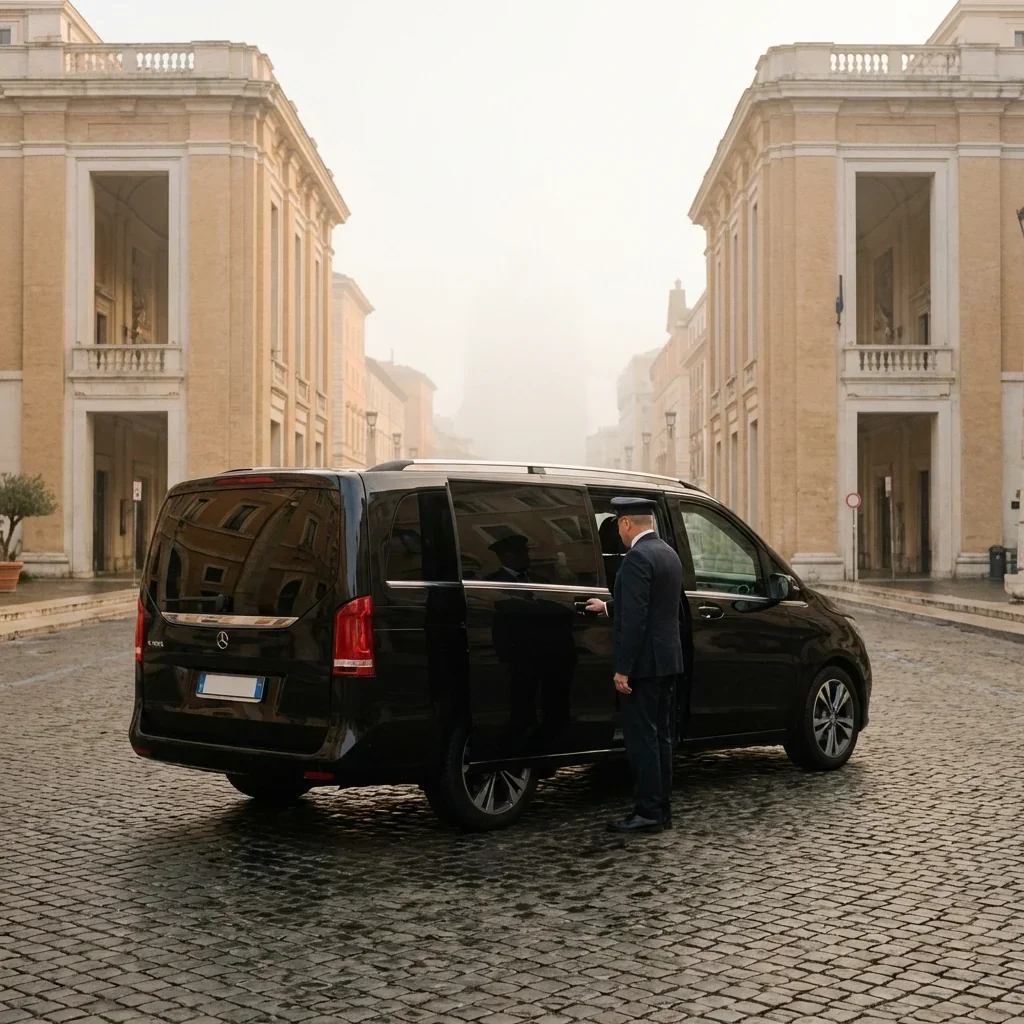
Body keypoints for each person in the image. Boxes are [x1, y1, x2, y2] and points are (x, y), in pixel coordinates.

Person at [586, 497, 684, 834]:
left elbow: (637, 619)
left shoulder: (636, 558)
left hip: (643, 666)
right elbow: (650, 604)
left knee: (642, 741)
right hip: (668, 661)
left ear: (625, 523)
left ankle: (647, 813)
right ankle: (662, 810)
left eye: (618, 526)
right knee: (661, 739)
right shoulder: (667, 554)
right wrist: (608, 606)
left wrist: (622, 668)